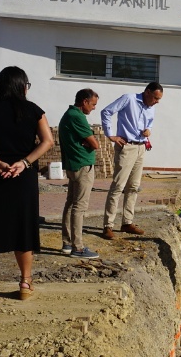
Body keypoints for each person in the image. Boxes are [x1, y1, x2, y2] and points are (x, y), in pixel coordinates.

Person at [0, 66, 54, 303]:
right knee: (24, 228)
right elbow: (48, 141)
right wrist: (24, 163)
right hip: (23, 177)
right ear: (22, 86)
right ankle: (25, 282)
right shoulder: (34, 110)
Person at [99, 82, 164, 239]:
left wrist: (149, 130)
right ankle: (108, 225)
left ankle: (127, 222)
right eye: (155, 98)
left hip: (141, 147)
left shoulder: (151, 107)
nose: (157, 102)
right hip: (126, 147)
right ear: (147, 92)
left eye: (159, 99)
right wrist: (110, 135)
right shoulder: (129, 99)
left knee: (134, 186)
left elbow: (149, 124)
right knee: (118, 186)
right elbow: (106, 111)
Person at [59, 88, 101, 259]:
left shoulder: (68, 115)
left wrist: (87, 141)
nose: (94, 108)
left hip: (73, 164)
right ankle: (78, 247)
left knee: (71, 203)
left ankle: (67, 242)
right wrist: (89, 141)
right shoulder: (77, 116)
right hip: (82, 165)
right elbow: (95, 144)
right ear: (84, 101)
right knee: (79, 206)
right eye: (93, 104)